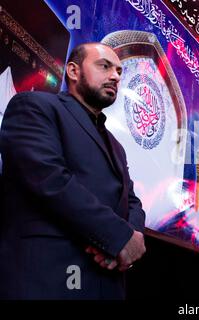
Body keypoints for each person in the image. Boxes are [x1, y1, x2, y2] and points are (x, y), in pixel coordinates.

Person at [0, 43, 146, 299]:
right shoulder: (34, 106)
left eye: (120, 71)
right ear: (73, 71)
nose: (115, 76)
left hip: (108, 284)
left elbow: (131, 200)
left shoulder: (117, 146)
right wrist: (118, 237)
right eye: (104, 66)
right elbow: (49, 180)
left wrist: (132, 239)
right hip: (48, 278)